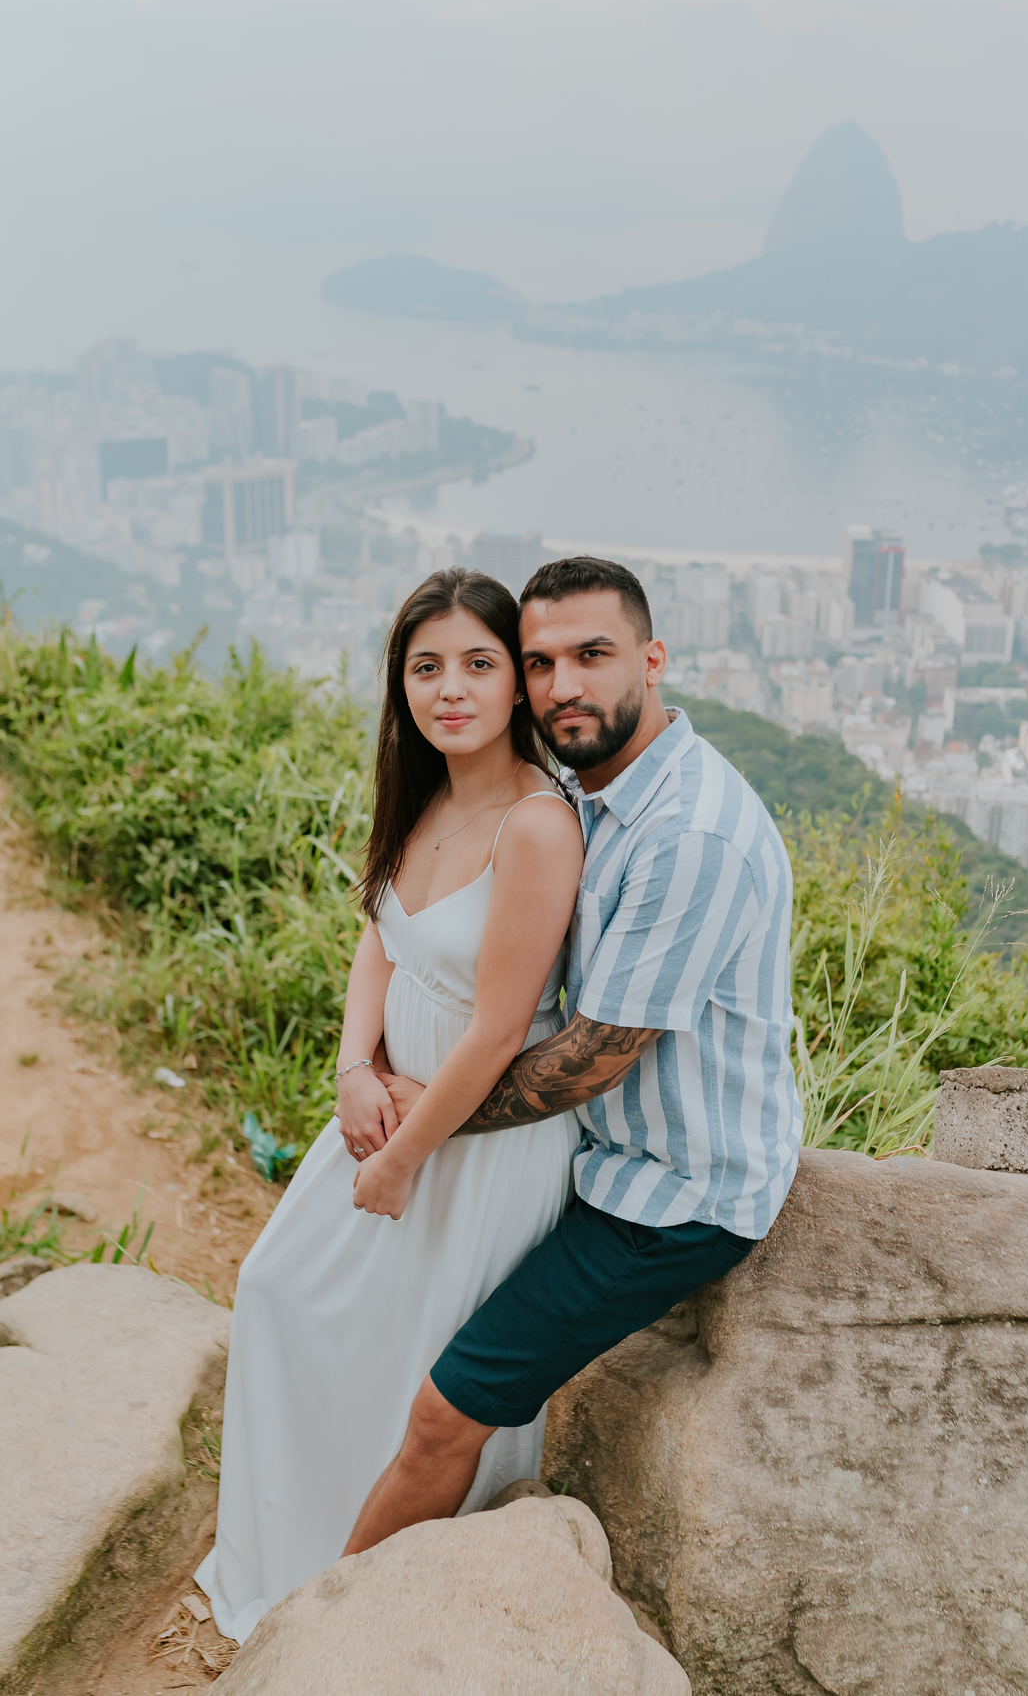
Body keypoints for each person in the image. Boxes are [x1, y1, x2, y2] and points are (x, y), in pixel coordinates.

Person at [343, 555, 801, 1552]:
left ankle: (325, 1628)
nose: (562, 686)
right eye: (540, 662)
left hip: (671, 1199)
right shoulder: (595, 792)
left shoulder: (690, 835)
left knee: (444, 1412)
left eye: (591, 655)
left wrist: (421, 1119)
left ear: (652, 657)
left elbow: (591, 1056)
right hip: (591, 1155)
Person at [196, 567, 585, 1643]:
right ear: (398, 683)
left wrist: (410, 1152)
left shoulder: (536, 827)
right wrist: (351, 1069)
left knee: (404, 1356)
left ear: (518, 683)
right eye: (425, 667)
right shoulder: (428, 791)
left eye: (476, 664)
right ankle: (281, 1563)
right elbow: (379, 934)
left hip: (474, 1139)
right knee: (280, 1290)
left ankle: (362, 1603)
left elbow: (502, 1028)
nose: (449, 689)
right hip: (385, 1107)